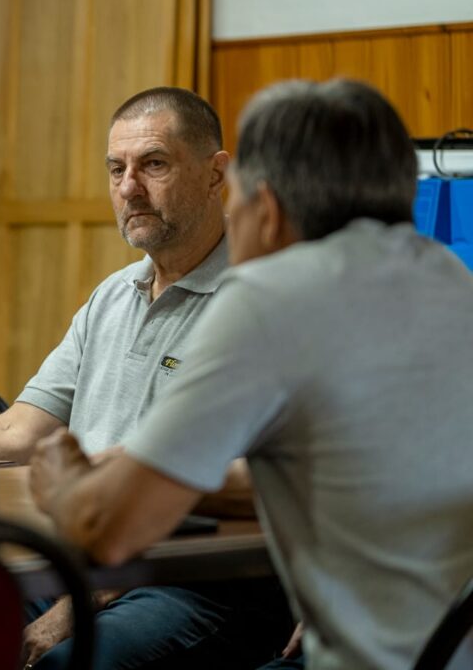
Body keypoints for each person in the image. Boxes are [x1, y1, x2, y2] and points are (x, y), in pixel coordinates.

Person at [29, 78, 473, 670]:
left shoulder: (271, 297)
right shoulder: (449, 278)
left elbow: (106, 528)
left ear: (264, 205)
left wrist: (63, 482)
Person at [0, 88, 290, 668]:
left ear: (215, 174)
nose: (129, 188)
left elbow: (246, 491)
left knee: (65, 662)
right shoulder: (112, 295)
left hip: (197, 582)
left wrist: (75, 608)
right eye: (116, 169)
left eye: (153, 164)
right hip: (84, 564)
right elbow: (19, 431)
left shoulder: (264, 299)